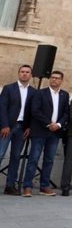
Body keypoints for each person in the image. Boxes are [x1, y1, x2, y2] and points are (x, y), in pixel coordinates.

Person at [21, 70, 69, 197]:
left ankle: (44, 186)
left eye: (57, 78)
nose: (54, 80)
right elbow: (35, 111)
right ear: (50, 79)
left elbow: (66, 113)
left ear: (61, 80)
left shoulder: (64, 95)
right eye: (52, 78)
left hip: (54, 133)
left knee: (49, 160)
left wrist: (58, 125)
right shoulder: (40, 93)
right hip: (40, 131)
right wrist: (49, 124)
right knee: (33, 159)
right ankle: (27, 186)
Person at [0, 65, 36, 196]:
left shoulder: (33, 91)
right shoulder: (9, 88)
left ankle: (10, 186)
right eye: (22, 72)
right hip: (7, 127)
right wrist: (4, 125)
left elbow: (33, 111)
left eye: (27, 72)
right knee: (0, 153)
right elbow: (2, 107)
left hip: (22, 128)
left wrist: (29, 127)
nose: (24, 74)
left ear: (31, 75)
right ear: (18, 73)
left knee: (15, 157)